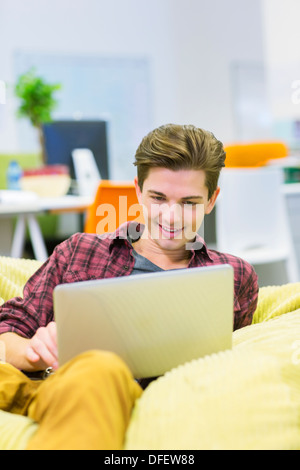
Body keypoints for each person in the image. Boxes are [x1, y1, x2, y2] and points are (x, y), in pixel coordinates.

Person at [0, 124, 259, 450]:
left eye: (189, 202)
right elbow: (7, 331)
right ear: (138, 191)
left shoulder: (234, 276)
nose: (172, 216)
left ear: (211, 200)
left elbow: (235, 367)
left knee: (101, 368)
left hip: (142, 394)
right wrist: (34, 351)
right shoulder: (80, 251)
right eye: (158, 197)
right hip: (53, 386)